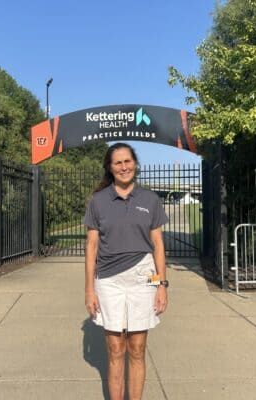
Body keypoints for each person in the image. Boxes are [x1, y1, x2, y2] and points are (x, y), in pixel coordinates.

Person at [84, 142, 169, 400]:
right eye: (118, 163)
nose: (124, 167)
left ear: (135, 164)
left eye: (127, 161)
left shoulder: (150, 199)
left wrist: (161, 286)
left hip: (143, 277)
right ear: (110, 168)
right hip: (109, 281)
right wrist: (90, 289)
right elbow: (91, 247)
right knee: (115, 348)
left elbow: (157, 245)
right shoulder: (98, 201)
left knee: (137, 347)